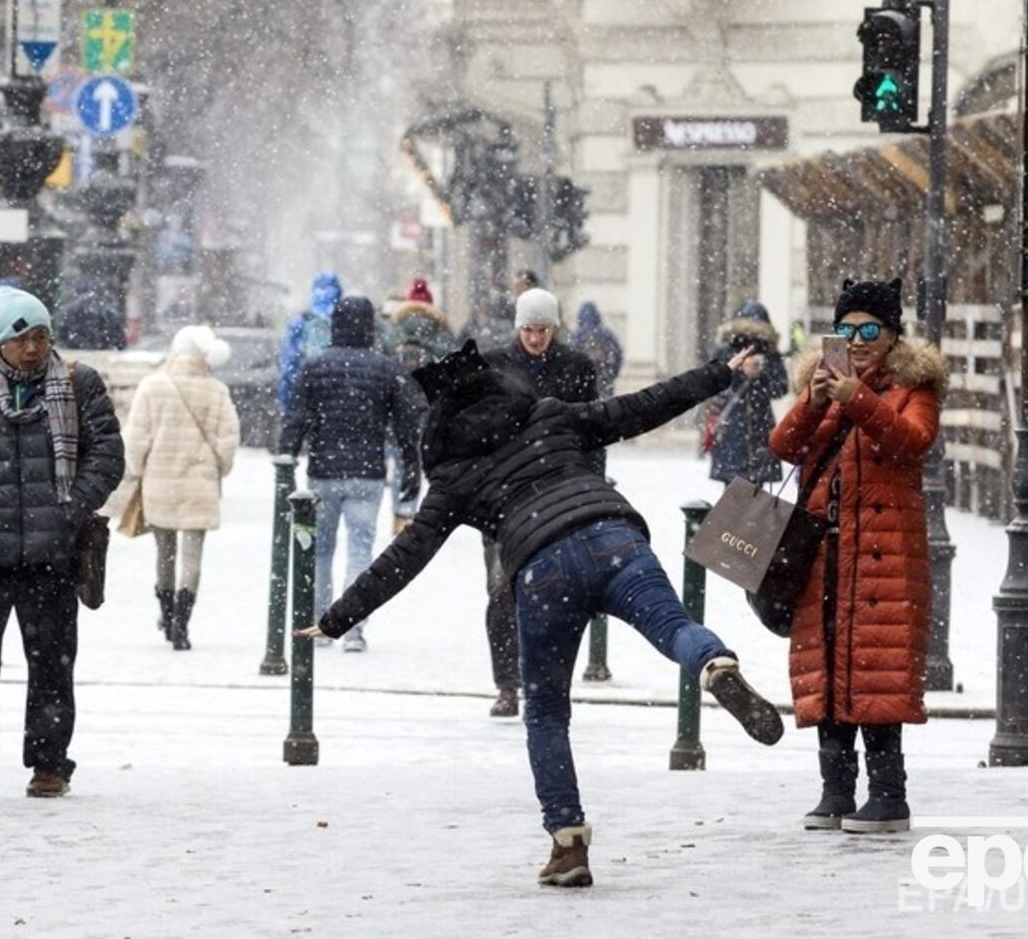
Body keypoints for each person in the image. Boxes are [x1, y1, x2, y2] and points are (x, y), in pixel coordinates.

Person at [297, 339, 782, 887]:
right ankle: (715, 664)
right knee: (675, 629)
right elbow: (642, 406)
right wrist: (717, 373)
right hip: (614, 537)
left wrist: (338, 617)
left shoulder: (454, 474)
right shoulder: (551, 417)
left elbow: (405, 556)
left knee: (547, 713)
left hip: (543, 571)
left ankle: (568, 843)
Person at [0, 289, 124, 798]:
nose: (33, 348)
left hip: (51, 553)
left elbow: (107, 455)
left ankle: (49, 764)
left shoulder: (79, 385)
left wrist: (71, 508)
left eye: (40, 336)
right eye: (21, 337)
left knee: (52, 663)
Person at [768, 278, 946, 834]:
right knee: (830, 672)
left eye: (869, 329)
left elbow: (911, 442)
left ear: (893, 335)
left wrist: (858, 400)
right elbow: (783, 446)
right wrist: (814, 399)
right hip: (824, 559)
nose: (857, 338)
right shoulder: (824, 388)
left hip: (883, 560)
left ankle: (889, 796)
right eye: (846, 329)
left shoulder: (915, 389)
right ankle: (835, 792)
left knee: (876, 677)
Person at [480, 288, 598, 718]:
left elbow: (593, 429)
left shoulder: (576, 367)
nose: (535, 338)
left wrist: (590, 483)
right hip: (505, 497)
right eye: (528, 329)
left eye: (543, 329)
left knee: (556, 592)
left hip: (560, 491)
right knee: (502, 591)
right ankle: (508, 684)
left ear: (555, 327)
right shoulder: (494, 366)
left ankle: (543, 682)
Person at [278, 296, 420, 653]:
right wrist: (412, 465)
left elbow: (296, 417)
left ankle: (321, 622)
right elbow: (406, 423)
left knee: (321, 550)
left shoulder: (314, 366)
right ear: (370, 326)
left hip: (323, 471)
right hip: (367, 473)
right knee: (360, 549)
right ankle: (352, 628)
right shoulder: (385, 369)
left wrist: (287, 456)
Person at [125, 325, 240, 650]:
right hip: (199, 486)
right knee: (192, 558)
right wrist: (219, 468)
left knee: (164, 552)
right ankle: (182, 624)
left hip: (159, 483)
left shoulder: (152, 386)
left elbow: (136, 438)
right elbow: (228, 440)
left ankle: (165, 612)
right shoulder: (217, 391)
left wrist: (136, 470)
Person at [384, 278, 454, 532]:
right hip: (428, 409)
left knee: (401, 462)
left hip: (397, 409)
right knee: (420, 463)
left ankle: (400, 514)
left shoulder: (393, 332)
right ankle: (413, 512)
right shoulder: (441, 333)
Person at [706, 299, 789, 487]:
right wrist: (738, 369)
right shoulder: (725, 351)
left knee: (756, 498)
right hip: (733, 430)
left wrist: (763, 370)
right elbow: (713, 382)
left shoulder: (769, 354)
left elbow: (780, 388)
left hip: (759, 430)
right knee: (734, 495)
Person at [276, 271, 342, 413]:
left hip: (307, 399)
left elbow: (288, 366)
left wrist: (287, 404)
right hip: (341, 401)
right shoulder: (346, 321)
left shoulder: (300, 322)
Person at [572, 302, 623, 399]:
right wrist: (612, 374)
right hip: (604, 377)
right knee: (605, 404)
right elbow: (618, 355)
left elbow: (569, 357)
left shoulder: (577, 336)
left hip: (583, 380)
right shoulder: (607, 335)